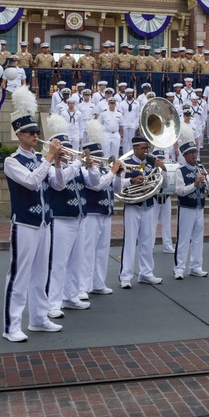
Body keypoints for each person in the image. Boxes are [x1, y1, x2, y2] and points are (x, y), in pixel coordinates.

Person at [2, 86, 62, 341]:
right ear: (19, 135)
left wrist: (57, 162)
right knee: (19, 274)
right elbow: (31, 182)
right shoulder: (12, 161)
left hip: (44, 223)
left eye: (37, 132)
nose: (36, 136)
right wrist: (49, 158)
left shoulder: (42, 158)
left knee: (41, 273)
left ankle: (39, 318)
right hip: (25, 223)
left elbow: (58, 185)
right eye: (31, 132)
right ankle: (12, 326)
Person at [44, 114, 90, 320]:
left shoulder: (77, 167)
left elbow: (96, 182)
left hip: (79, 217)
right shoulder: (53, 168)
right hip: (61, 218)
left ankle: (71, 295)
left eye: (69, 149)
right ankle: (52, 303)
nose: (67, 153)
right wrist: (67, 163)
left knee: (76, 260)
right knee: (58, 262)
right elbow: (59, 183)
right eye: (64, 149)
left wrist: (91, 165)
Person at [81, 121, 122, 297]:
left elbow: (117, 189)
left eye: (100, 156)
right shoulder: (86, 170)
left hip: (106, 213)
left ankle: (98, 283)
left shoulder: (105, 170)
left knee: (103, 250)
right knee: (88, 250)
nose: (100, 159)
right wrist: (113, 172)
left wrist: (119, 176)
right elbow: (97, 185)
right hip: (91, 212)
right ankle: (84, 286)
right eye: (96, 157)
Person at [118, 134, 163, 288]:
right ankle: (126, 276)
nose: (146, 151)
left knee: (148, 241)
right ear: (135, 149)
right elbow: (118, 184)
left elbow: (164, 184)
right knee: (130, 242)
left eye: (147, 148)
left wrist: (162, 168)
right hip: (133, 206)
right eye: (143, 148)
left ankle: (146, 273)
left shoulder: (152, 163)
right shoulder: (126, 163)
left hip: (149, 205)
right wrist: (132, 180)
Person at [173, 125, 209, 279]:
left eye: (195, 152)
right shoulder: (180, 170)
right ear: (184, 155)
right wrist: (195, 184)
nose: (194, 155)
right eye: (191, 153)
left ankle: (196, 266)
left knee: (198, 238)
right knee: (183, 238)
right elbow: (180, 191)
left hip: (199, 207)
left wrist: (205, 179)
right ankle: (179, 268)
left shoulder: (201, 167)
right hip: (186, 208)